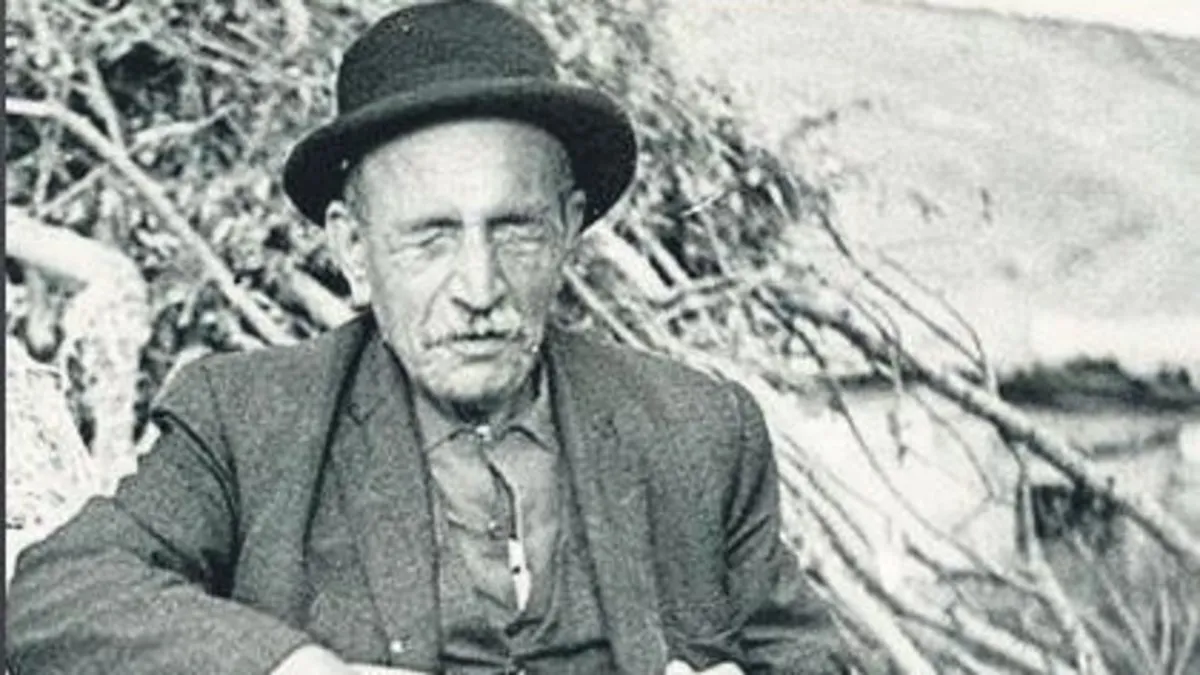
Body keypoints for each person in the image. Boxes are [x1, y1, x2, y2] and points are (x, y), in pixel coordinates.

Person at [6, 2, 849, 673]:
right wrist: (303, 670)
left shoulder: (699, 429)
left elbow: (809, 658)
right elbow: (57, 595)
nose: (478, 288)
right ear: (354, 250)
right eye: (430, 237)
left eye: (515, 230)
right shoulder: (247, 419)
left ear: (568, 229)